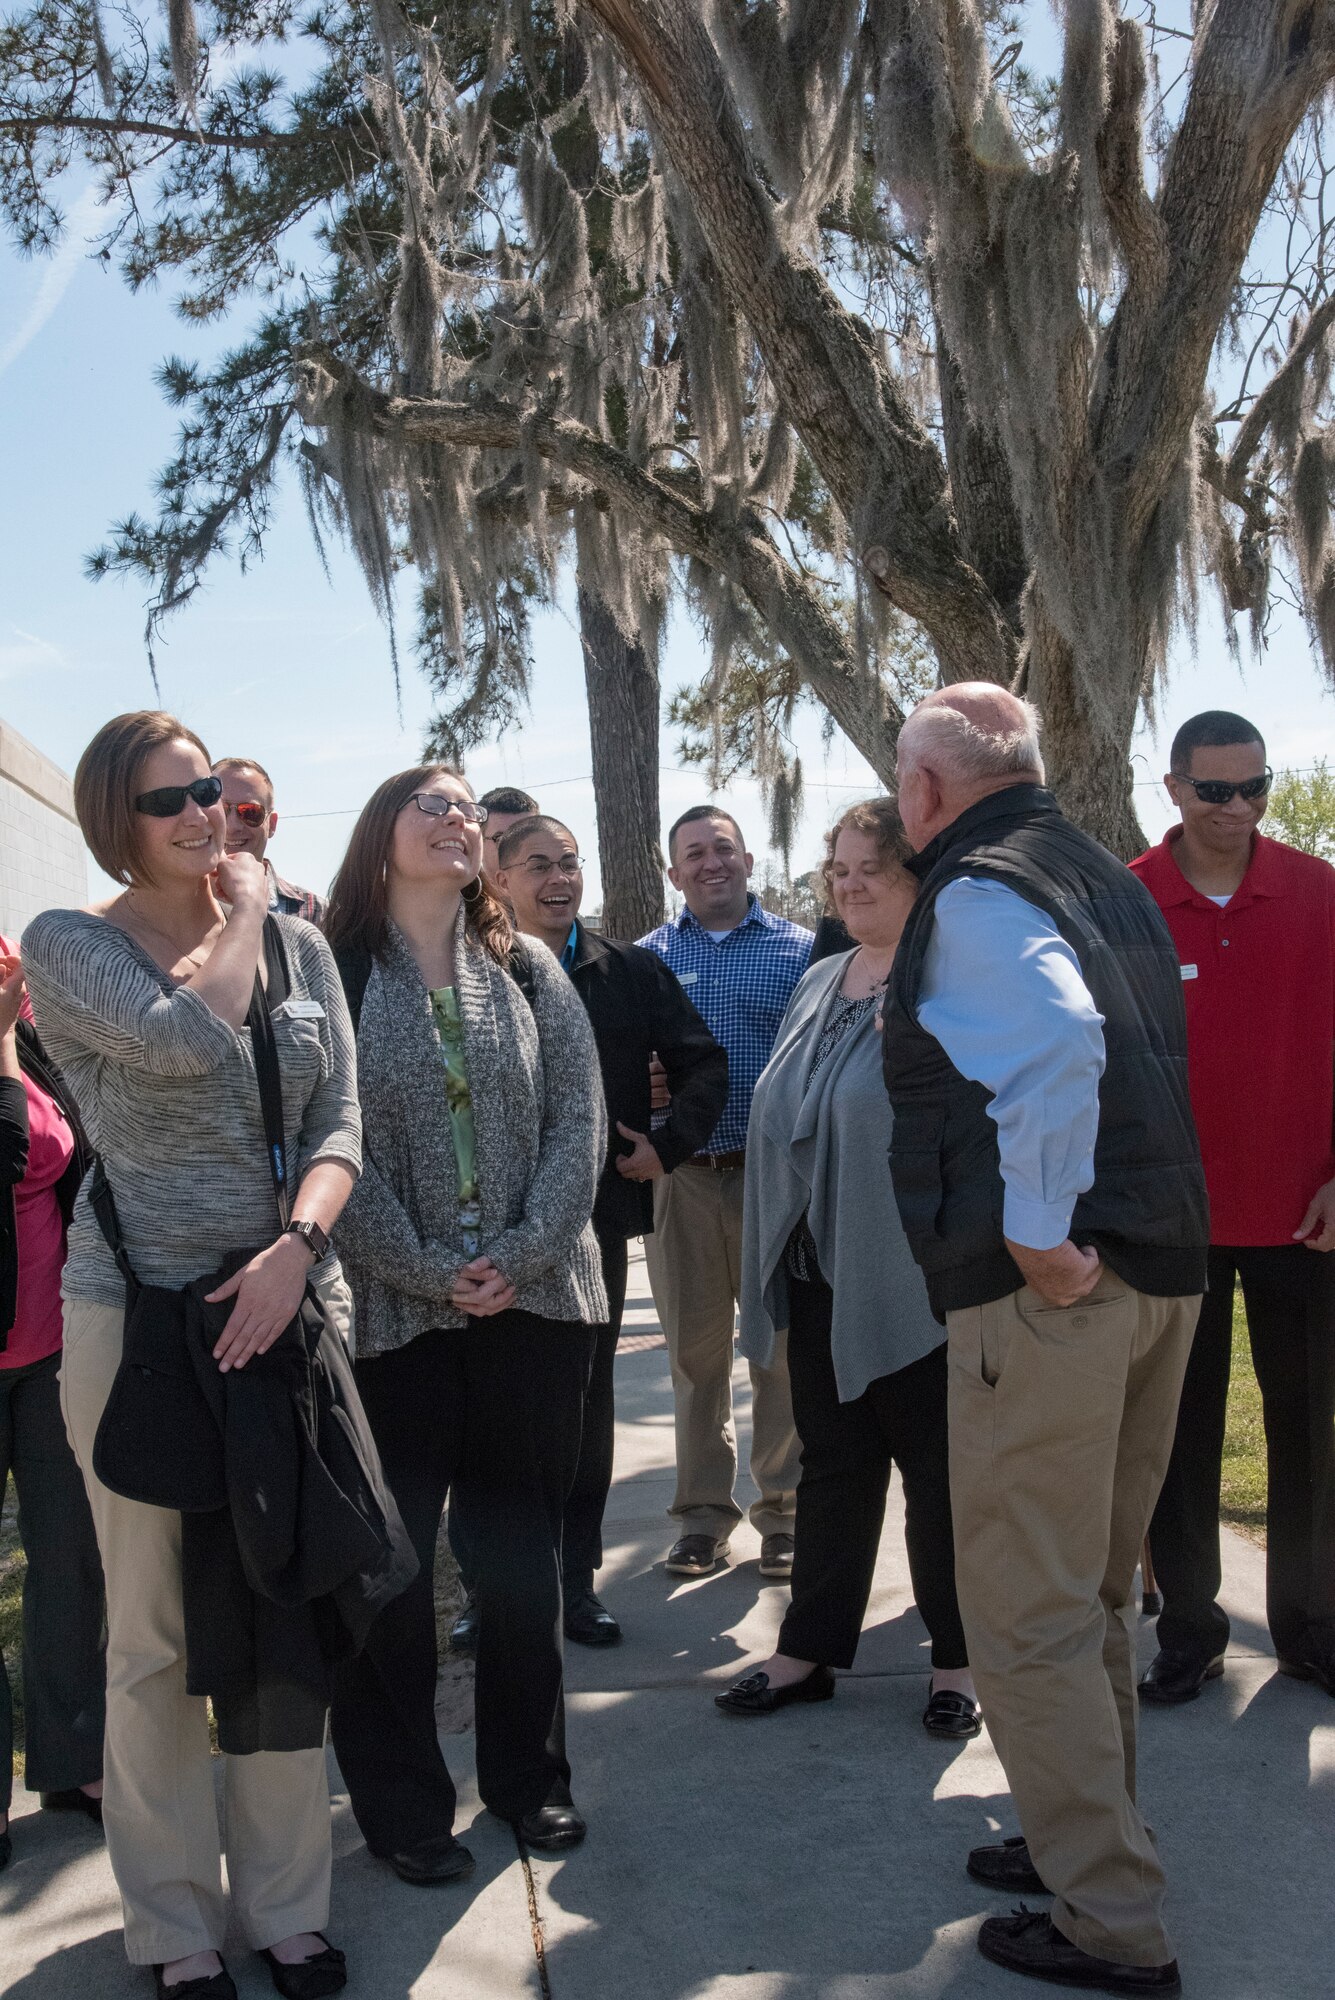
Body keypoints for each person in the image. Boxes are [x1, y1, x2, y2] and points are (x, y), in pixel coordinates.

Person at [22, 710, 365, 2000]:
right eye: (173, 797)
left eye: (215, 787)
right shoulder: (72, 944)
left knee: (282, 1613)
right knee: (154, 1635)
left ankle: (286, 1906)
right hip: (140, 1319)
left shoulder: (304, 948)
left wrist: (293, 1250)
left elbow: (343, 1122)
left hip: (280, 1307)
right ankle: (169, 1920)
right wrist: (249, 910)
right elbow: (182, 1038)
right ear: (120, 813)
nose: (204, 811)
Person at [882, 686, 1208, 1997]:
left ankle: (1107, 1918)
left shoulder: (971, 890)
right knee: (1078, 1598)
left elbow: (1055, 1046)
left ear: (924, 790)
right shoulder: (1098, 874)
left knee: (1022, 1614)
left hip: (1054, 1298)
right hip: (1151, 1278)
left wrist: (1029, 1230)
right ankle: (1090, 1846)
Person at [324, 766, 607, 1870]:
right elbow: (318, 1132)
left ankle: (528, 1782)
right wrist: (431, 1266)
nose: (450, 815)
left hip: (531, 1305)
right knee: (390, 1572)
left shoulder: (527, 967)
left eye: (460, 803)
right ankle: (400, 1807)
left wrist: (524, 1250)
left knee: (516, 1565)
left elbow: (581, 1115)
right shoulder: (336, 968)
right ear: (377, 834)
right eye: (424, 801)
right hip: (391, 1316)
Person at [718, 800, 977, 1736]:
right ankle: (808, 1650)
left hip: (920, 1277)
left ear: (922, 877)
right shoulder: (824, 978)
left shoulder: (949, 980)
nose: (850, 882)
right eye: (839, 867)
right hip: (818, 1270)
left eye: (874, 866)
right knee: (833, 1467)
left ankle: (956, 1664)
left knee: (941, 1479)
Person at [478, 813, 728, 1647]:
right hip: (484, 1234)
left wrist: (665, 1147)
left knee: (583, 1411)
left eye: (570, 864)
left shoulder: (629, 970)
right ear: (499, 878)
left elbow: (704, 1061)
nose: (559, 879)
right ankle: (491, 1591)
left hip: (591, 1232)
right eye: (538, 865)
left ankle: (574, 1586)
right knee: (490, 1412)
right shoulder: (465, 970)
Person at [1130, 710, 1335, 1704]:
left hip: (1308, 1214)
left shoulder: (1318, 891)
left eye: (1255, 785)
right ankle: (1192, 1627)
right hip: (1173, 1219)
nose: (1240, 806)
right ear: (1173, 788)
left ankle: (1311, 1623)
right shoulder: (1126, 902)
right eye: (1217, 789)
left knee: (1313, 1425)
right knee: (1179, 1430)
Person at [638, 806, 809, 1579]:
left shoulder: (803, 954)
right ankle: (702, 1516)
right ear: (673, 873)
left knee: (777, 1353)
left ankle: (785, 1514)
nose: (711, 864)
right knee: (695, 1358)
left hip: (775, 1181)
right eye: (693, 854)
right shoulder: (641, 963)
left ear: (749, 861)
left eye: (723, 850)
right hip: (682, 1182)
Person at [0, 943, 105, 1872]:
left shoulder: (28, 1045)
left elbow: (72, 1155)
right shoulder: (7, 1045)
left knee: (70, 1557)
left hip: (52, 1349)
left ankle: (73, 1760)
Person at [213, 757, 326, 923]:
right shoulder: (169, 911)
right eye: (221, 811)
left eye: (250, 812)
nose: (233, 826)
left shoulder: (317, 914)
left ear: (271, 824)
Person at [477, 785, 539, 890]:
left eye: (528, 837)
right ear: (479, 844)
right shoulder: (455, 904)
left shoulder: (557, 899)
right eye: (501, 839)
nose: (518, 849)